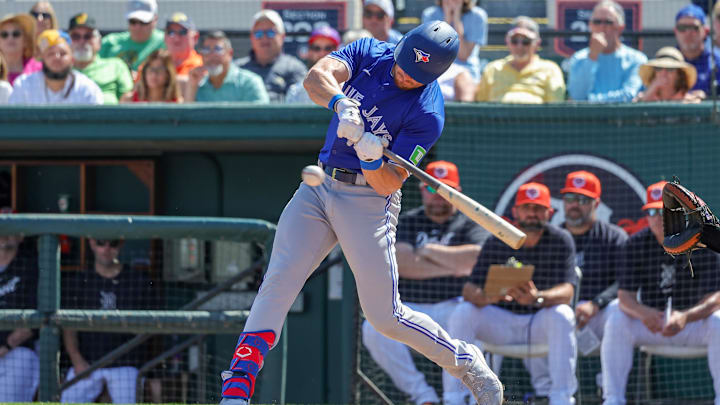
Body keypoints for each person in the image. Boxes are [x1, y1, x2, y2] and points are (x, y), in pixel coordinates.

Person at [219, 21, 503, 405]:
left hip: (369, 201)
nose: (404, 73)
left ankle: (464, 361)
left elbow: (389, 182)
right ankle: (238, 385)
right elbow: (316, 78)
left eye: (415, 74)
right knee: (279, 279)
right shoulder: (371, 51)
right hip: (319, 186)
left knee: (385, 318)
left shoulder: (427, 112)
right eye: (404, 63)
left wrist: (370, 157)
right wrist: (341, 103)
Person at [362, 161, 490, 405]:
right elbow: (403, 263)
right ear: (422, 190)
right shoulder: (409, 220)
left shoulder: (469, 223)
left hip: (455, 305)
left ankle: (460, 399)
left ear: (457, 192)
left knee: (470, 318)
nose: (438, 196)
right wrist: (453, 264)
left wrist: (427, 250)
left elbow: (475, 260)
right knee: (372, 329)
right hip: (412, 306)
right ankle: (424, 398)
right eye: (432, 189)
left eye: (444, 190)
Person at [445, 182, 578, 405]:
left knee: (563, 314)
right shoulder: (498, 239)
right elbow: (469, 290)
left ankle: (562, 399)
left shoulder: (561, 239)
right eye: (527, 207)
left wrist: (538, 297)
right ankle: (455, 398)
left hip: (538, 321)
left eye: (538, 208)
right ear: (515, 211)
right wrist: (489, 297)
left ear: (549, 212)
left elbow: (568, 291)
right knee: (463, 311)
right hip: (500, 321)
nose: (532, 214)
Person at [601, 181, 720, 405]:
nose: (659, 217)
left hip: (693, 323)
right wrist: (642, 313)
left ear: (680, 214)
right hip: (652, 324)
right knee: (616, 314)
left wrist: (687, 316)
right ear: (646, 216)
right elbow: (625, 297)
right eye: (653, 211)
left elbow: (717, 297)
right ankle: (613, 400)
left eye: (665, 211)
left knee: (719, 320)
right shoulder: (635, 244)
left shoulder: (702, 242)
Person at [61, 238, 157, 404]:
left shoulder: (137, 281)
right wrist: (77, 360)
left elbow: (146, 330)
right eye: (101, 243)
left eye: (112, 244)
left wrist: (125, 323)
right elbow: (69, 327)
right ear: (91, 243)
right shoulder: (80, 281)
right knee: (69, 399)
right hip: (87, 364)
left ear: (120, 245)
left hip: (125, 364)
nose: (106, 249)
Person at [567, 0, 647, 102]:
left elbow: (628, 96)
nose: (602, 27)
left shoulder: (637, 59)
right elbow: (577, 95)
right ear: (590, 26)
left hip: (623, 117)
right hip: (587, 118)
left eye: (608, 22)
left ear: (620, 28)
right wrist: (592, 56)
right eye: (597, 22)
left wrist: (589, 101)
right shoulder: (578, 58)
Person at [475, 16, 565, 104]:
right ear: (507, 41)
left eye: (526, 41)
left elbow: (555, 107)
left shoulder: (550, 69)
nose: (520, 46)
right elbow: (481, 105)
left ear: (537, 43)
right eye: (514, 41)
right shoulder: (492, 69)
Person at [9, 29, 103, 105]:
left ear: (72, 58)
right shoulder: (24, 85)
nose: (56, 57)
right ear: (43, 58)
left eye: (63, 53)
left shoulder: (87, 89)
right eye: (50, 54)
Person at [0, 226, 39, 402]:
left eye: (9, 229)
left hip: (17, 349)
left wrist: (6, 347)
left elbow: (33, 321)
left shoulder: (30, 268)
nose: (4, 235)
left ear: (21, 236)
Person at [234, 10, 307, 102]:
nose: (264, 38)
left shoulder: (295, 68)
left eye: (270, 32)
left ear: (282, 37)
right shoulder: (237, 69)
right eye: (258, 33)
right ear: (251, 38)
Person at [68, 13, 134, 105]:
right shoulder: (58, 70)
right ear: (67, 41)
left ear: (98, 41)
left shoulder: (116, 66)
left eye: (88, 36)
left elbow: (128, 100)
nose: (82, 41)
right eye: (75, 36)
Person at [186, 30, 268, 103]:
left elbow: (263, 117)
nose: (211, 55)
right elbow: (186, 118)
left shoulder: (249, 83)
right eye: (206, 50)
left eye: (217, 49)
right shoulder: (198, 85)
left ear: (230, 54)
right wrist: (192, 87)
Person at [422, 0, 488, 81]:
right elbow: (436, 54)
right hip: (437, 69)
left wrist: (457, 18)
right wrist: (447, 19)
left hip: (466, 70)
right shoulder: (430, 14)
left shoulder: (478, 15)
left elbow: (463, 55)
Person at [99, 0, 165, 73]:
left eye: (143, 22)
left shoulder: (167, 42)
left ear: (155, 19)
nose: (137, 27)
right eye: (133, 21)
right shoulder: (109, 43)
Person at [673, 4, 720, 97]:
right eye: (682, 28)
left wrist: (706, 97)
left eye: (694, 28)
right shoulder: (665, 62)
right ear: (675, 31)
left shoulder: (717, 62)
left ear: (705, 31)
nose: (688, 33)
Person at [285, 26, 341, 104]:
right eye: (316, 48)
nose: (322, 53)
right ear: (309, 51)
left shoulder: (350, 87)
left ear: (338, 51)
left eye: (328, 48)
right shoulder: (296, 91)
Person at [635, 47, 701, 103]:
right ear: (654, 73)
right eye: (659, 68)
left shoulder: (691, 102)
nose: (663, 73)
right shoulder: (640, 99)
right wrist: (650, 91)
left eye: (670, 69)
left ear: (680, 75)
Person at [162, 11, 201, 99]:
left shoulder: (202, 64)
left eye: (183, 32)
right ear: (164, 37)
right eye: (171, 32)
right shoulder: (155, 62)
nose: (176, 38)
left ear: (195, 37)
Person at [0, 13, 41, 86]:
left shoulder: (39, 70)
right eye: (4, 34)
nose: (10, 38)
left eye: (16, 34)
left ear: (25, 41)